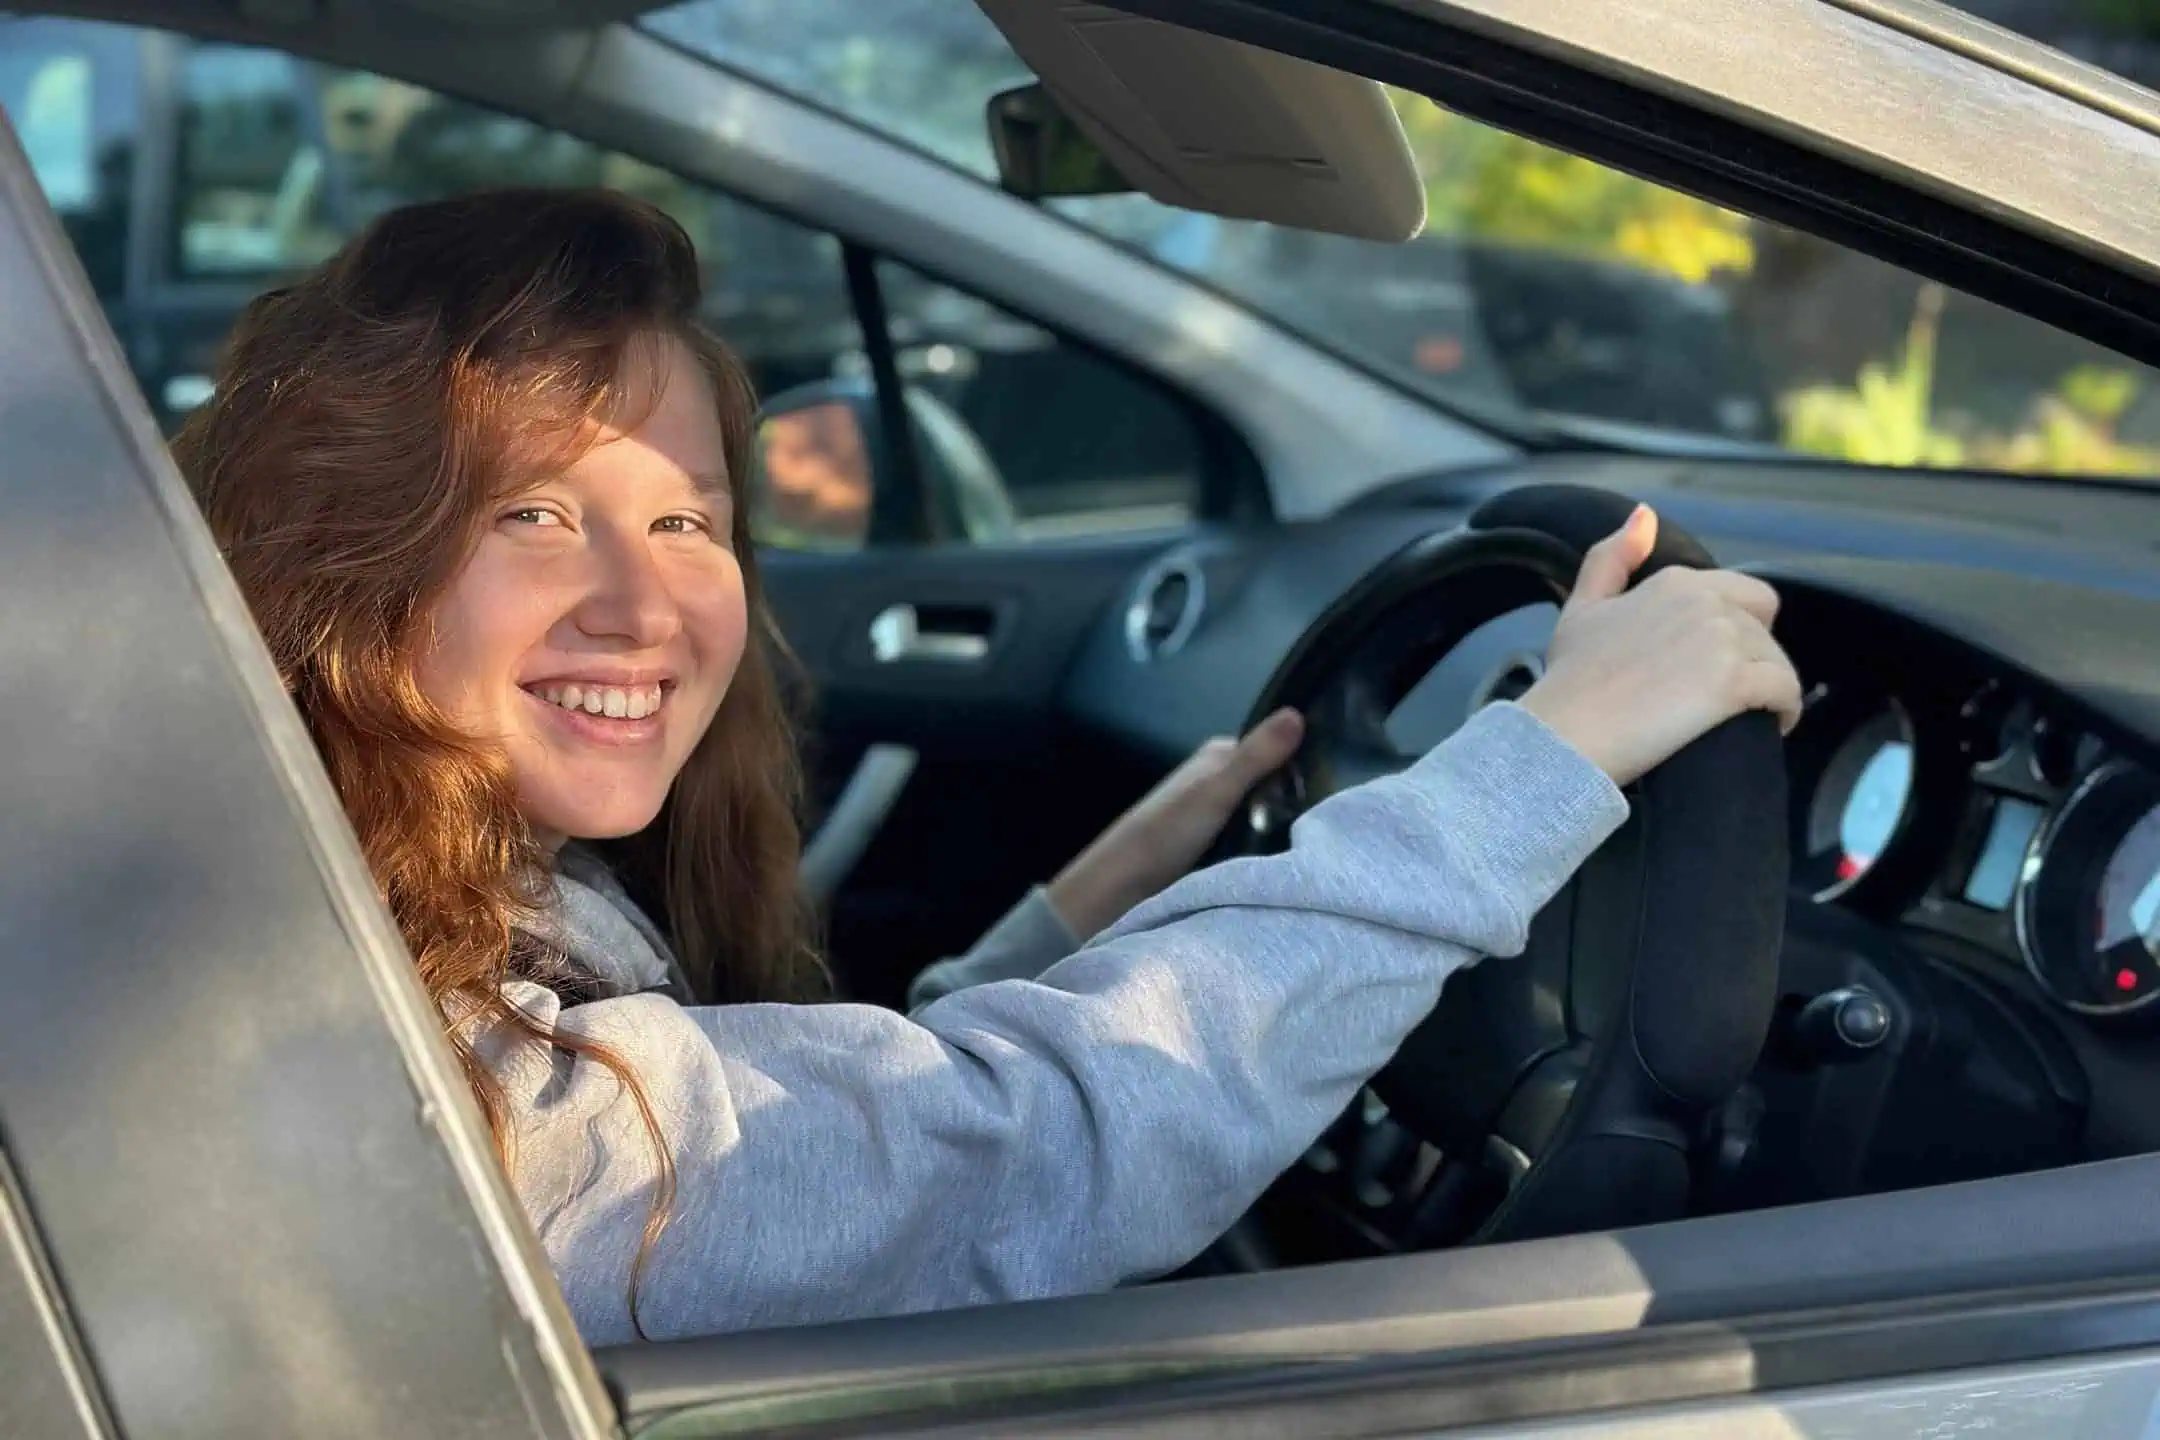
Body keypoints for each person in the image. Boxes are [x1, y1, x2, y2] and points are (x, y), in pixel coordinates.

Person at [173, 186, 1802, 1345]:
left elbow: (817, 1181)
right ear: (342, 557)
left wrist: (1074, 933)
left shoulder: (424, 908)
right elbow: (1036, 1161)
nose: (643, 596)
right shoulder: (415, 1085)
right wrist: (1544, 761)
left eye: (688, 519)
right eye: (533, 511)